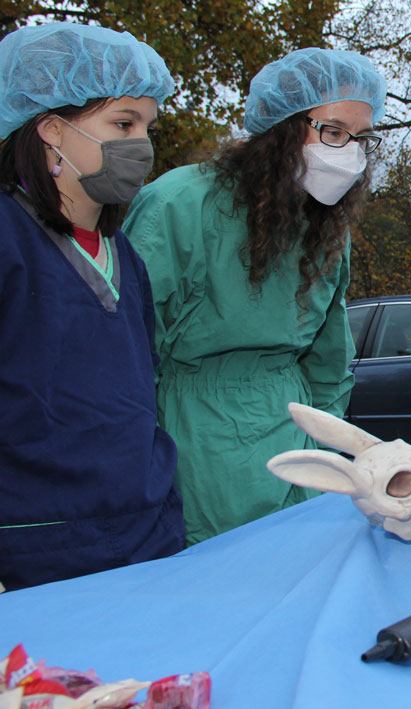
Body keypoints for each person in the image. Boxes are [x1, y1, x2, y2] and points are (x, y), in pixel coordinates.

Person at [123, 48, 386, 545]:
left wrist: (325, 443)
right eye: (333, 132)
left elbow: (329, 361)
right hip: (195, 440)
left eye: (361, 139)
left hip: (296, 434)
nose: (349, 153)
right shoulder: (179, 204)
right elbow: (128, 355)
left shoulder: (326, 228)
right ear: (282, 127)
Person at [0, 23, 183, 590]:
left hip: (146, 531)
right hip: (38, 544)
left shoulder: (125, 255)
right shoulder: (9, 237)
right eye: (123, 124)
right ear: (52, 129)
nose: (143, 145)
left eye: (149, 127)